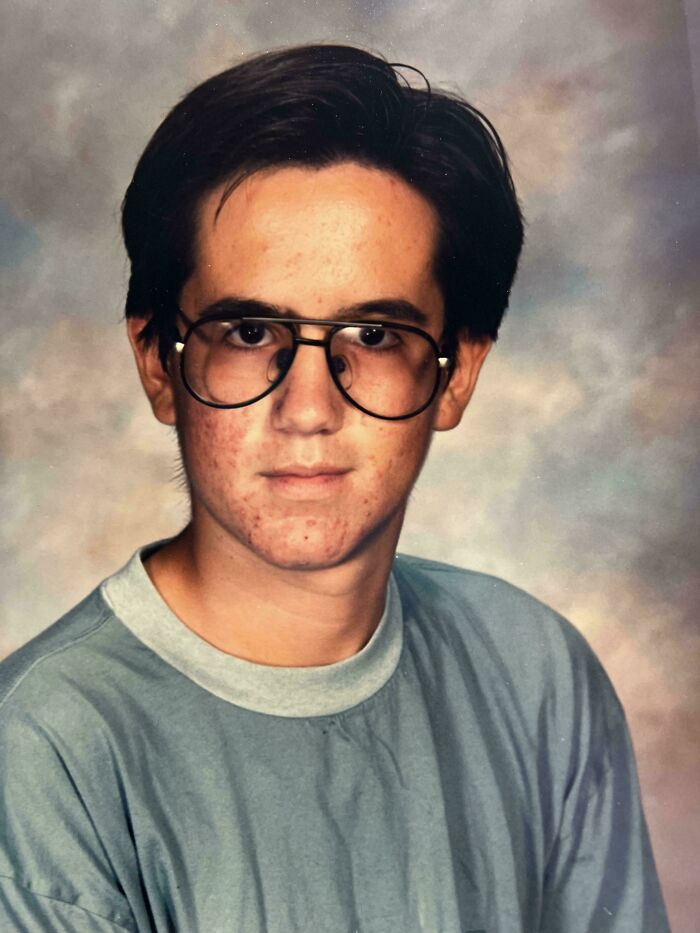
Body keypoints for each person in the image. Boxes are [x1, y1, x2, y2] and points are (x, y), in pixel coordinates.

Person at [0, 44, 669, 932]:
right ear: (158, 364)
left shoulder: (536, 672)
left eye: (375, 334)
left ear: (457, 373)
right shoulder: (43, 754)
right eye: (247, 331)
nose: (307, 406)